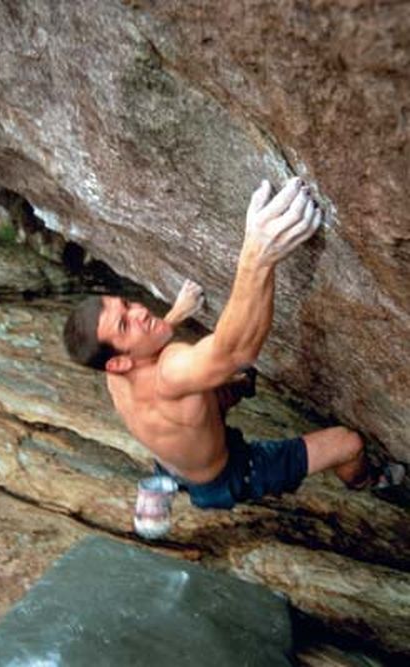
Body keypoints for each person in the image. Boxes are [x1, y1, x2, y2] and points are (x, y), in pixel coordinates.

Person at [64, 177, 403, 510]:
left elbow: (142, 349)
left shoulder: (111, 370)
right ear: (118, 362)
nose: (138, 311)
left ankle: (169, 480)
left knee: (232, 387)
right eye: (125, 322)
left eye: (126, 303)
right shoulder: (169, 373)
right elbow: (236, 351)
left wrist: (176, 314)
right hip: (230, 475)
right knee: (348, 443)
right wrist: (257, 255)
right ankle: (369, 483)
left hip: (175, 460)